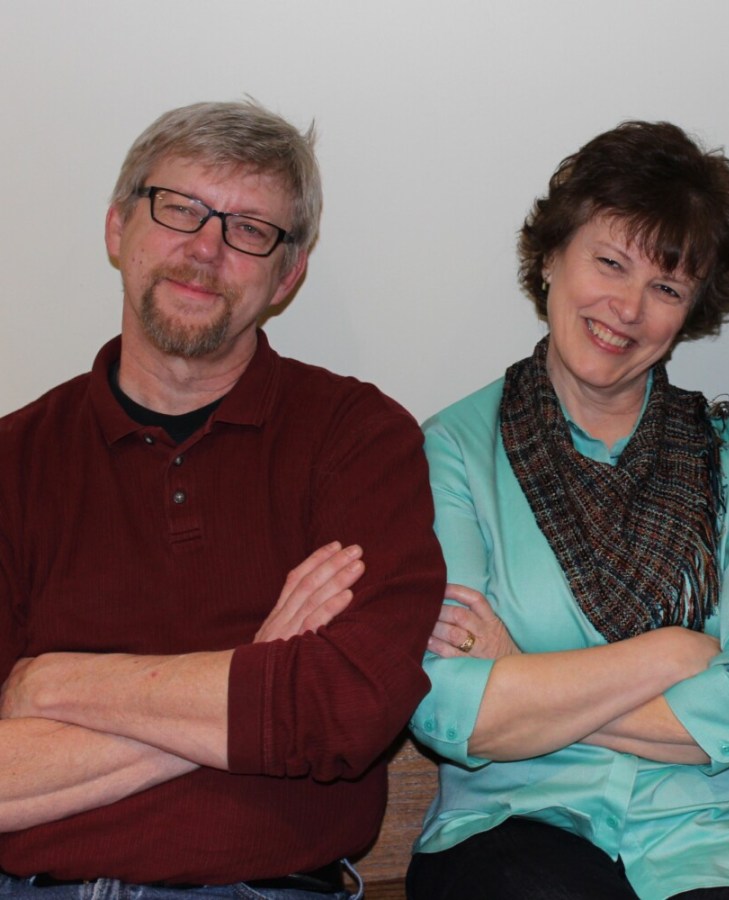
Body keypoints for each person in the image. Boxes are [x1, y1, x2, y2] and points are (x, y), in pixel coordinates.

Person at [0, 101, 445, 895]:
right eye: (180, 208)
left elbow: (350, 710)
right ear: (117, 228)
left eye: (249, 230)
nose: (205, 249)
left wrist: (51, 686)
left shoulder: (358, 437)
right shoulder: (14, 459)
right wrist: (262, 663)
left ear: (288, 275)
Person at [405, 121, 729, 900]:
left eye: (666, 288)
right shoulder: (452, 451)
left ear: (690, 312)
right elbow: (450, 708)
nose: (627, 308)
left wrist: (523, 678)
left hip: (724, 840)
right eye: (610, 263)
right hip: (516, 832)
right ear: (550, 257)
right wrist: (671, 654)